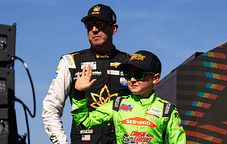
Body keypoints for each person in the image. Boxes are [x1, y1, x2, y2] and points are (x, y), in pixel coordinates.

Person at [42, 4, 131, 144]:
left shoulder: (130, 63)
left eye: (100, 25)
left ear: (114, 28)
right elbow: (51, 106)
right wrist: (61, 142)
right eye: (89, 25)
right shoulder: (70, 61)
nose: (94, 30)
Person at [71, 50, 187, 144]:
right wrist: (79, 93)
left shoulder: (167, 110)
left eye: (138, 75)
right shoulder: (117, 104)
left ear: (155, 78)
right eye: (128, 75)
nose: (132, 80)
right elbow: (85, 122)